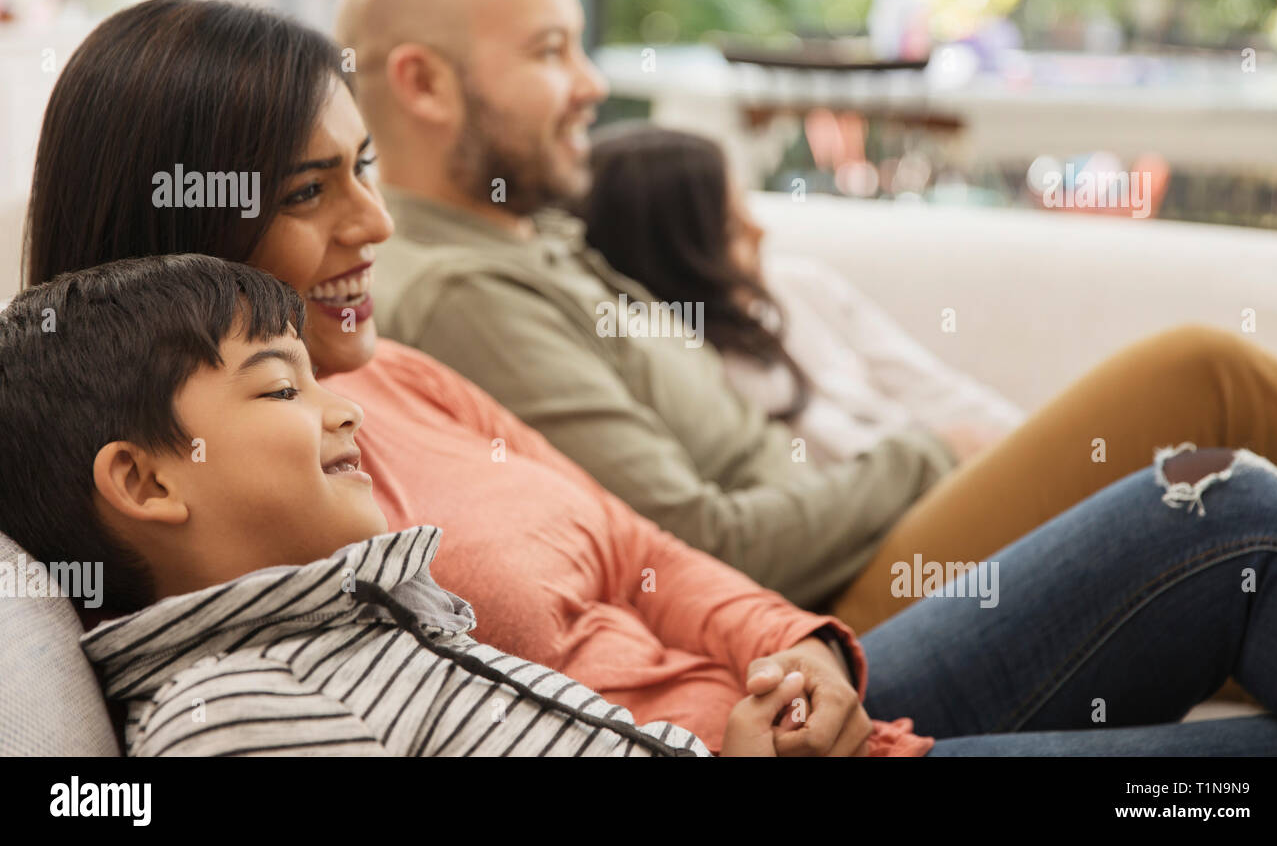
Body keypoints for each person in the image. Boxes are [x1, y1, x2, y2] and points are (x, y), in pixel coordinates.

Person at [336, 0, 1277, 634]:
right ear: (422, 83)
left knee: (1232, 525)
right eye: (551, 51)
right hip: (835, 606)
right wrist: (926, 454)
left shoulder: (526, 239)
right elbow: (696, 544)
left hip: (862, 551)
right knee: (1203, 379)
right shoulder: (465, 292)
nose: (592, 83)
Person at [24, 0, 910, 758]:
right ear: (177, 231)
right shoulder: (265, 512)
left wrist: (801, 648)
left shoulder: (400, 374)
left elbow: (646, 551)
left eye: (363, 168)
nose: (376, 223)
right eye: (306, 193)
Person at [7, 257, 1277, 756]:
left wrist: (782, 663)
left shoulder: (359, 604)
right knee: (1225, 490)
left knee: (1226, 510)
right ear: (144, 477)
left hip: (768, 703)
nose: (371, 220)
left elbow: (642, 548)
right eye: (284, 385)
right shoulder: (242, 702)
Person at [0, 253, 803, 757]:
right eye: (282, 387)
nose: (349, 413)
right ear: (146, 484)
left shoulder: (348, 630)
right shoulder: (230, 714)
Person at [579, 122, 1025, 468]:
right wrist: (948, 453)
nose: (761, 232)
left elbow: (932, 387)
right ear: (675, 261)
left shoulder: (799, 287)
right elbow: (838, 475)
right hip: (916, 519)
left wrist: (1028, 446)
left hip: (974, 473)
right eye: (732, 230)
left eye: (747, 209)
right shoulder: (696, 374)